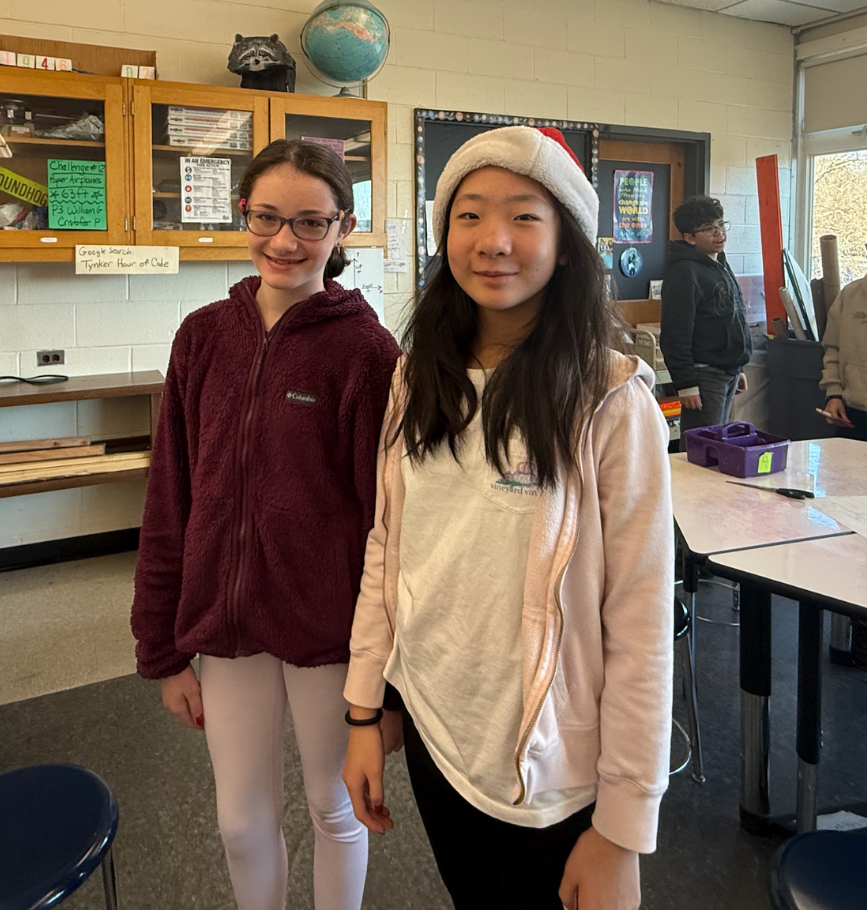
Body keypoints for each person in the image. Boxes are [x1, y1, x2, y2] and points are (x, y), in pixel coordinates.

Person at [341, 126, 674, 910]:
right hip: (435, 729)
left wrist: (624, 827)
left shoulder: (610, 401)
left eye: (525, 216)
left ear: (566, 241)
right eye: (469, 216)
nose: (493, 241)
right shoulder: (415, 378)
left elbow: (639, 622)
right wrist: (366, 708)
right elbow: (389, 548)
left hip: (550, 768)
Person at [131, 139, 400, 910]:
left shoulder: (366, 354)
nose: (285, 241)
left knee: (335, 806)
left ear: (343, 228)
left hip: (327, 632)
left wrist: (384, 684)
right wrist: (162, 648)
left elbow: (389, 526)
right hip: (223, 622)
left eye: (310, 223)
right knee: (239, 823)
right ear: (243, 214)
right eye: (268, 217)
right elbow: (170, 497)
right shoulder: (203, 336)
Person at [660, 195, 752, 445]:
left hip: (726, 372)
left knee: (719, 444)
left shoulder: (719, 262)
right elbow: (675, 333)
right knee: (702, 448)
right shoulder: (684, 272)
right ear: (690, 238)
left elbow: (730, 317)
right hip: (704, 375)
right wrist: (686, 384)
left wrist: (737, 365)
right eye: (709, 229)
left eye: (721, 225)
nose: (719, 233)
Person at [820, 272, 867, 668]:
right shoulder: (851, 296)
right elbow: (832, 350)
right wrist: (834, 392)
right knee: (852, 525)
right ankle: (854, 632)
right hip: (855, 416)